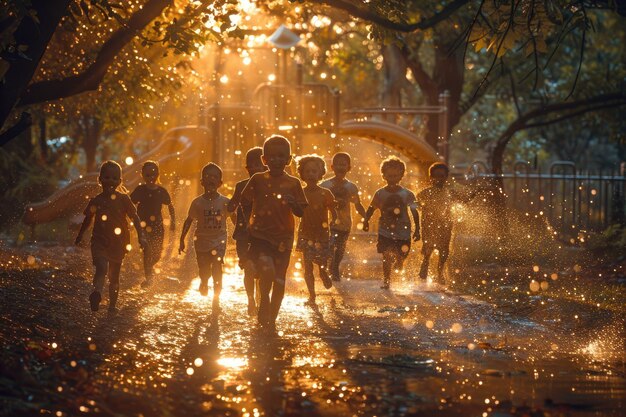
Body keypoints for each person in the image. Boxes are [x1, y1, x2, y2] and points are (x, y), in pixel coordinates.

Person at [240, 135, 307, 331]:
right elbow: (245, 202)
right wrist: (246, 225)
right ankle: (264, 303)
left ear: (288, 159)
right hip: (260, 235)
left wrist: (294, 204)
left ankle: (272, 317)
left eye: (281, 156)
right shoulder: (257, 179)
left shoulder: (294, 184)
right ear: (264, 160)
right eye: (272, 156)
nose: (276, 160)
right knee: (266, 267)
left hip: (284, 239)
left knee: (279, 277)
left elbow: (301, 212)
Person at [75, 160, 146, 315]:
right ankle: (97, 293)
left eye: (114, 178)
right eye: (106, 177)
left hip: (118, 243)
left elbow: (135, 218)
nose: (110, 181)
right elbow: (88, 219)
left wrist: (141, 236)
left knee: (114, 275)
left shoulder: (124, 199)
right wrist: (80, 234)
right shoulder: (96, 200)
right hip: (99, 241)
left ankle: (112, 306)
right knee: (101, 268)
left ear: (120, 181)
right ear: (100, 180)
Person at [179, 163, 232, 311]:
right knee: (204, 270)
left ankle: (216, 300)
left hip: (219, 240)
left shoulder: (225, 202)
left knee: (217, 267)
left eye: (215, 177)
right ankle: (203, 281)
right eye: (208, 176)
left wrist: (240, 233)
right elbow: (188, 221)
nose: (211, 179)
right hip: (201, 240)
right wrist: (181, 239)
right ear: (202, 181)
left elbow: (234, 219)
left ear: (220, 183)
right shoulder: (197, 202)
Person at [363, 157, 420, 290]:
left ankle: (400, 261)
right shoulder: (380, 193)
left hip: (403, 231)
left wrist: (417, 229)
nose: (392, 178)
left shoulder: (407, 194)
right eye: (389, 176)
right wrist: (366, 220)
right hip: (385, 230)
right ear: (384, 176)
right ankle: (387, 281)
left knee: (402, 254)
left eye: (395, 175)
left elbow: (414, 212)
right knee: (386, 255)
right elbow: (371, 208)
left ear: (401, 175)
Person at [227, 147, 266, 316]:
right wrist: (236, 221)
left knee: (263, 269)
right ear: (247, 168)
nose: (255, 168)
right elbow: (231, 207)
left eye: (259, 165)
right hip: (243, 236)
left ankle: (261, 297)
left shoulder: (269, 186)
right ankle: (251, 299)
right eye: (251, 165)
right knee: (249, 269)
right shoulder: (241, 186)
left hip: (264, 235)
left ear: (266, 165)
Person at [295, 154, 337, 306]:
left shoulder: (325, 193)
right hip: (305, 234)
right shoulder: (301, 193)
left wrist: (334, 221)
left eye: (314, 171)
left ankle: (323, 272)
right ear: (302, 174)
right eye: (307, 172)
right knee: (307, 266)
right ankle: (312, 295)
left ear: (321, 174)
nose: (311, 174)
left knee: (321, 262)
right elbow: (296, 210)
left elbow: (333, 211)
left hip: (322, 235)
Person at [416, 162, 468, 283]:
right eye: (436, 176)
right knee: (428, 246)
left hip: (446, 225)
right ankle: (426, 261)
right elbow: (416, 203)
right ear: (431, 177)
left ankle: (440, 272)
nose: (439, 179)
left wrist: (475, 193)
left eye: (442, 176)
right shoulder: (425, 193)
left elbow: (464, 200)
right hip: (429, 224)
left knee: (444, 249)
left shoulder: (450, 193)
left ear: (446, 177)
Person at [321, 152, 366, 281]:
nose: (340, 167)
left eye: (343, 164)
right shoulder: (325, 186)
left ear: (349, 168)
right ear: (332, 167)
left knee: (340, 250)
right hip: (328, 223)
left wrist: (365, 218)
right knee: (330, 246)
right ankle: (329, 268)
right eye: (338, 164)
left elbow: (358, 205)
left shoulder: (351, 187)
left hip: (345, 224)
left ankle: (334, 266)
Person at [130, 161, 175, 288]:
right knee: (147, 250)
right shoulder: (140, 190)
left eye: (153, 175)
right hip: (142, 226)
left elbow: (171, 206)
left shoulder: (161, 191)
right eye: (148, 175)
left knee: (157, 254)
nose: (151, 178)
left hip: (158, 227)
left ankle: (150, 267)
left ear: (158, 175)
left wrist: (173, 222)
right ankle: (148, 278)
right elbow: (129, 203)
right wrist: (129, 218)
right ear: (143, 175)